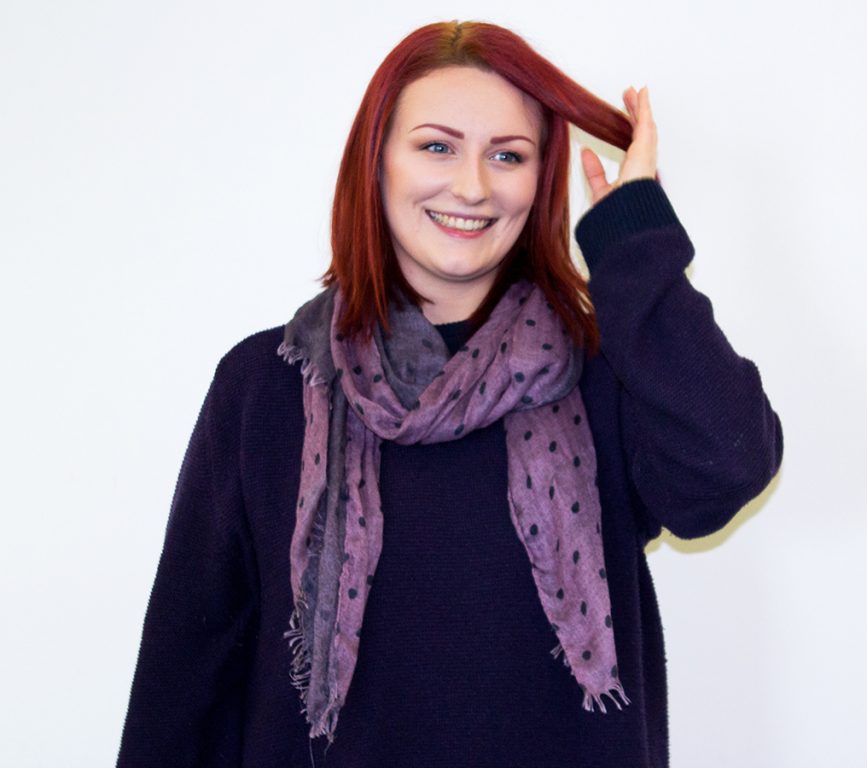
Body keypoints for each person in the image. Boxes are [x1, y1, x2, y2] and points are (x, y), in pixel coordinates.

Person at [116, 19, 783, 768]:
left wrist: (637, 243)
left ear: (542, 179)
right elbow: (185, 681)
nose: (471, 185)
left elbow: (726, 467)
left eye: (508, 155)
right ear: (378, 163)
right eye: (437, 146)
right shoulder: (266, 384)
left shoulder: (605, 373)